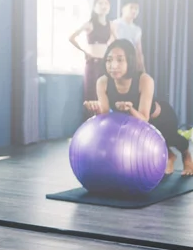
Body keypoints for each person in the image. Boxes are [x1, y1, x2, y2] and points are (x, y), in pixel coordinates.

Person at [83, 39, 193, 176]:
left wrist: (129, 108)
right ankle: (170, 156)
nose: (113, 65)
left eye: (120, 60)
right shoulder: (102, 82)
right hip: (134, 122)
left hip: (161, 118)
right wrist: (95, 109)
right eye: (109, 60)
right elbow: (105, 114)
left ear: (129, 61)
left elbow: (144, 118)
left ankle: (186, 155)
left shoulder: (144, 80)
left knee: (170, 139)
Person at [69, 0, 117, 102]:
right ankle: (91, 118)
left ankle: (105, 118)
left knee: (105, 94)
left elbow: (117, 42)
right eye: (100, 3)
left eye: (106, 3)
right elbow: (71, 38)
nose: (103, 6)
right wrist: (84, 52)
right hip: (92, 63)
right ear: (94, 7)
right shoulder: (89, 24)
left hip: (106, 64)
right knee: (91, 94)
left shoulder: (111, 25)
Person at [112, 0, 145, 72]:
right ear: (123, 9)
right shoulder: (114, 24)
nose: (134, 11)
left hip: (131, 61)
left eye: (136, 9)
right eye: (131, 7)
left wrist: (142, 66)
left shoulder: (137, 29)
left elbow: (139, 49)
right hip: (117, 60)